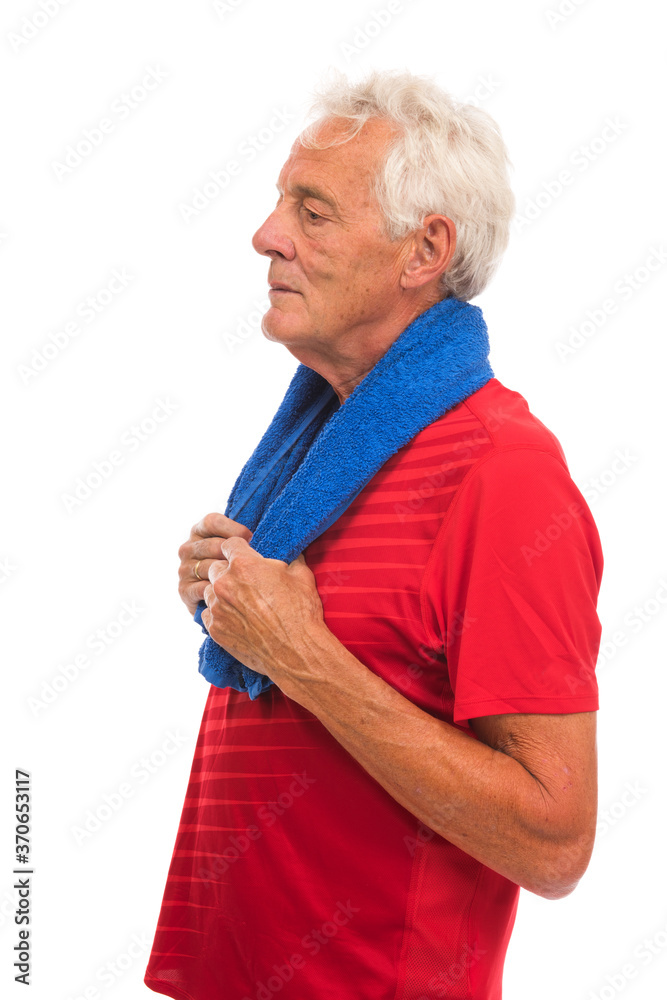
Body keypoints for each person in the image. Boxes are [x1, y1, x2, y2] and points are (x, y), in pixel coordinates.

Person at [144, 68, 602, 1000]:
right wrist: (232, 598)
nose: (266, 234)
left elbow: (554, 842)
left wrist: (305, 657)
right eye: (281, 202)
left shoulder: (502, 472)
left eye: (311, 212)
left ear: (424, 250)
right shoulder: (319, 456)